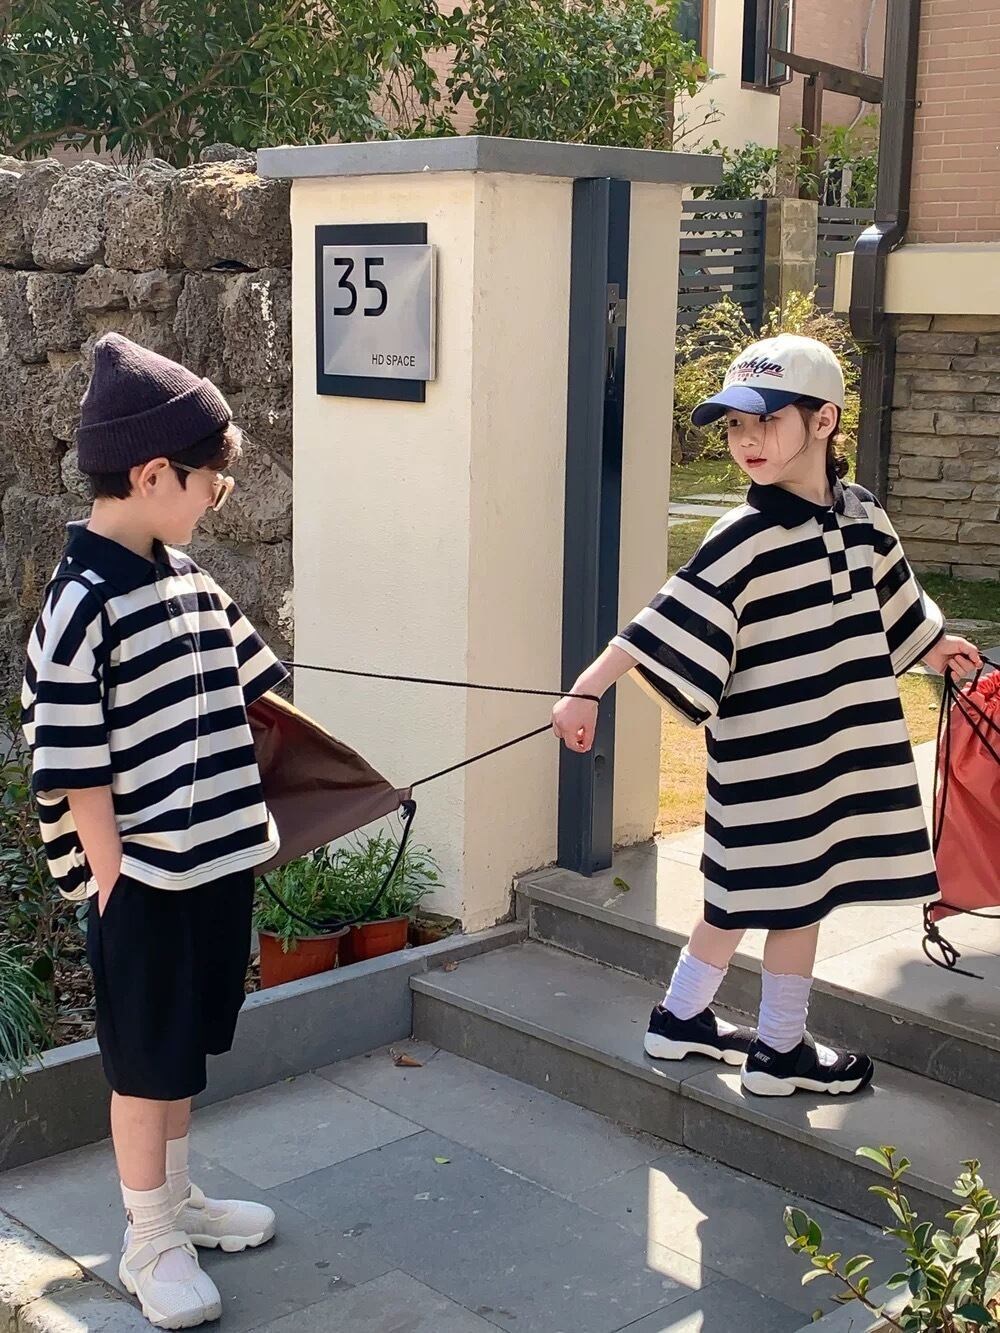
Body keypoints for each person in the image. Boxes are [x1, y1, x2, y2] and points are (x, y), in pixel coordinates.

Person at [552, 333, 981, 1098]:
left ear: (825, 420)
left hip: (832, 751)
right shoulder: (744, 537)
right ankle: (780, 1051)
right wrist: (587, 687)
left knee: (744, 895)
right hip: (765, 760)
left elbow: (895, 603)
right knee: (787, 897)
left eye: (766, 420)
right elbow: (661, 623)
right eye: (735, 425)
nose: (747, 440)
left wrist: (935, 645)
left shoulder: (863, 515)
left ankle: (680, 1018)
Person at [21, 334, 287, 1329]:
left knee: (182, 1049)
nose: (218, 497)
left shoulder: (187, 580)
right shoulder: (82, 603)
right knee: (143, 1066)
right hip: (142, 881)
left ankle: (175, 1202)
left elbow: (257, 692)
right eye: (213, 481)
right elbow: (72, 757)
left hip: (213, 864)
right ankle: (147, 1238)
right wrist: (113, 878)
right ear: (152, 474)